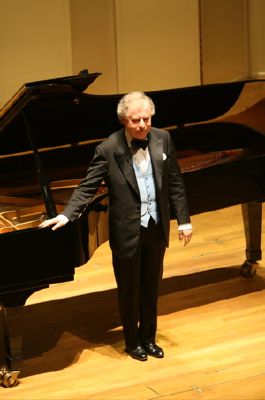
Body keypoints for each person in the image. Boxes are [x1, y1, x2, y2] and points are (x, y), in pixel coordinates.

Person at [40, 91, 192, 361]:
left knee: (151, 287)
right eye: (136, 120)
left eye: (146, 119)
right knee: (129, 289)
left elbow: (176, 183)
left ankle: (149, 338)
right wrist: (68, 215)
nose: (142, 125)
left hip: (156, 228)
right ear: (124, 120)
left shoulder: (163, 139)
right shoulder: (108, 149)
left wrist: (183, 220)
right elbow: (87, 187)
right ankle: (132, 342)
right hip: (127, 231)